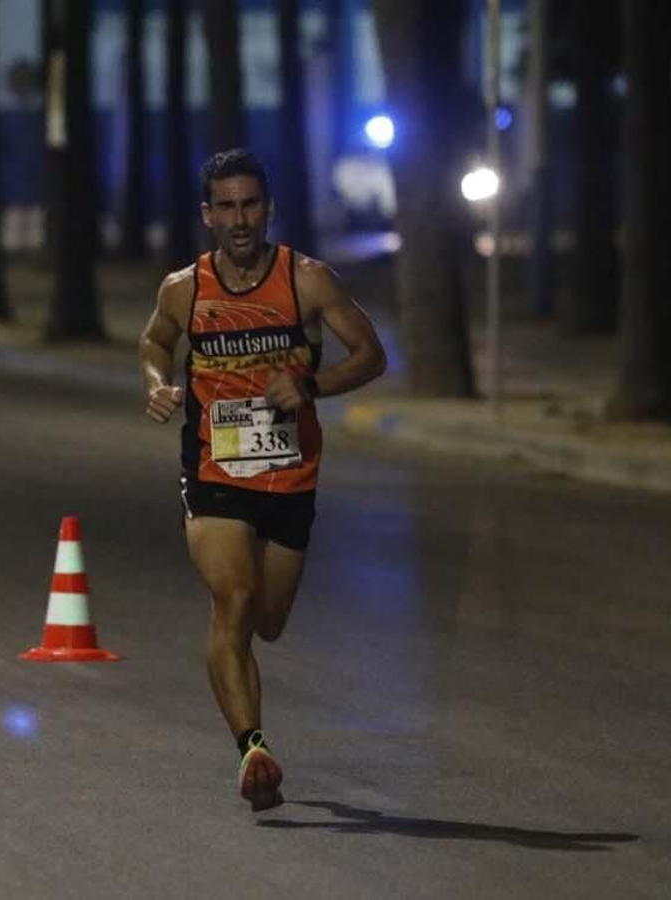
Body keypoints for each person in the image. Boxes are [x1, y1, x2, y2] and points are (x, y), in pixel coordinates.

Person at [138, 148, 387, 812]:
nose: (240, 218)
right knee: (236, 600)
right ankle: (254, 748)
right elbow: (156, 340)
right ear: (207, 214)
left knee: (269, 621)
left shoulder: (308, 281)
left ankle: (248, 715)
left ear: (268, 207)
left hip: (290, 476)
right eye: (227, 206)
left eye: (250, 204)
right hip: (214, 471)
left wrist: (311, 383)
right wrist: (159, 383)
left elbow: (371, 355)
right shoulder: (184, 288)